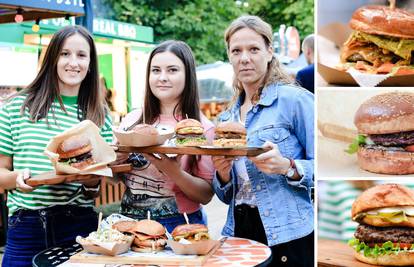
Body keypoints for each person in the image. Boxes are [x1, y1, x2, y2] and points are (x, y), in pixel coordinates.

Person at [0, 25, 113, 267]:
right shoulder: (16, 107)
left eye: (81, 55)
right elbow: (0, 174)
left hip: (79, 225)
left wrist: (92, 182)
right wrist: (18, 178)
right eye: (65, 54)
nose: (74, 62)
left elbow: (97, 185)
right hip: (26, 226)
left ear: (91, 63)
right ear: (52, 58)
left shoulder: (99, 114)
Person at [212, 16, 314, 267]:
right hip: (239, 229)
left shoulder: (295, 100)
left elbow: (327, 165)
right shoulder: (227, 118)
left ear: (270, 52)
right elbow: (227, 196)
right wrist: (223, 176)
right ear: (229, 56)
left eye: (253, 49)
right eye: (236, 51)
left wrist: (287, 166)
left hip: (289, 232)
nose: (244, 58)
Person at [115, 40, 214, 233]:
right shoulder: (131, 120)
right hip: (129, 222)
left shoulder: (201, 129)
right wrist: (114, 163)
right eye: (156, 70)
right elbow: (115, 179)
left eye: (172, 70)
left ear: (188, 75)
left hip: (180, 224)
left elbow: (206, 195)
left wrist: (173, 171)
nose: (162, 77)